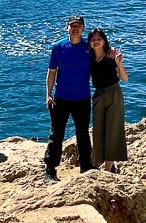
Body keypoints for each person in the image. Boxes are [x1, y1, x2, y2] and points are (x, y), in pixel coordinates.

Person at [43, 14, 93, 181]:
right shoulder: (58, 47)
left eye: (79, 25)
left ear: (83, 28)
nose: (75, 28)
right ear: (67, 28)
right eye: (72, 25)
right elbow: (51, 72)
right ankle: (50, 170)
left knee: (83, 134)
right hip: (61, 99)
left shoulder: (89, 47)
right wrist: (48, 95)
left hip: (83, 98)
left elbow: (99, 62)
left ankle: (86, 167)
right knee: (56, 134)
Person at [88, 27, 128, 172]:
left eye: (99, 38)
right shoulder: (89, 59)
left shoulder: (111, 57)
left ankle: (109, 167)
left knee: (112, 129)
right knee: (98, 130)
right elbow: (87, 77)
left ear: (104, 41)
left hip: (114, 93)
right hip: (98, 95)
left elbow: (124, 78)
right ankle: (99, 161)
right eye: (93, 39)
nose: (96, 41)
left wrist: (119, 63)